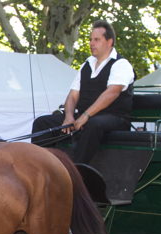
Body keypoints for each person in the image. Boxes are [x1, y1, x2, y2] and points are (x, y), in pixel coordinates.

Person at [31, 20, 135, 164]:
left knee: (93, 124)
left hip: (114, 118)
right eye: (91, 39)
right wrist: (68, 116)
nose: (92, 43)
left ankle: (77, 169)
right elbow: (73, 95)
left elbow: (111, 93)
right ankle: (42, 166)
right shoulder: (87, 64)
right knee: (42, 123)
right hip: (85, 117)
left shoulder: (121, 64)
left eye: (96, 40)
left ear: (109, 41)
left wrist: (85, 116)